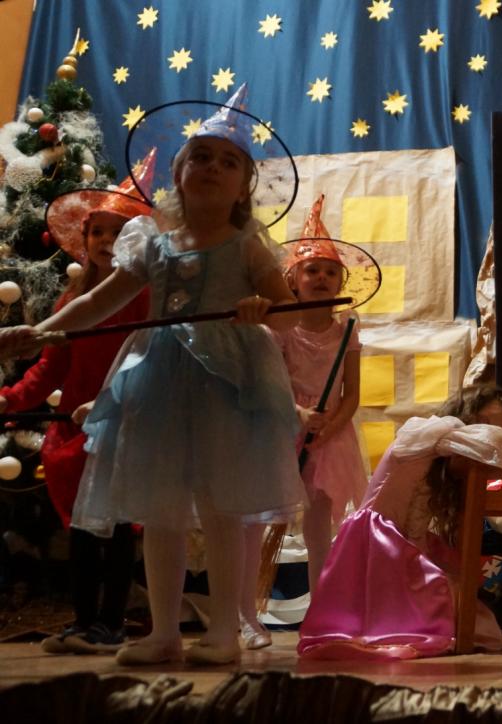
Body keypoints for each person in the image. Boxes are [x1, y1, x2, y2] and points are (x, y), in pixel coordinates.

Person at [4, 85, 309, 665]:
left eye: (228, 162)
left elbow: (291, 314)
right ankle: (164, 632)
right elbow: (98, 302)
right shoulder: (154, 243)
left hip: (226, 385)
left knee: (221, 507)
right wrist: (41, 332)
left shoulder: (247, 246)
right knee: (161, 508)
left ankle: (224, 632)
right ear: (178, 172)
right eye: (201, 157)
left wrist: (262, 310)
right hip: (159, 381)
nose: (212, 167)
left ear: (243, 186)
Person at [11, 154, 156, 654]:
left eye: (118, 232)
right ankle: (83, 621)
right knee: (80, 530)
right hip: (74, 434)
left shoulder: (145, 295)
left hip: (127, 423)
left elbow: (149, 358)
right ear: (85, 238)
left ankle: (111, 623)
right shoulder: (69, 301)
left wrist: (109, 401)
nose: (106, 241)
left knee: (116, 528)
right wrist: (9, 399)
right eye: (98, 232)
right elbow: (50, 369)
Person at [298, 385, 502, 659]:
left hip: (402, 542)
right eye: (486, 424)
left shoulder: (446, 450)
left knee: (465, 601)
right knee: (446, 597)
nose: (489, 432)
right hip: (381, 542)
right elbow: (489, 441)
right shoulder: (435, 431)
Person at [238, 196, 377, 650]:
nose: (321, 278)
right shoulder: (280, 329)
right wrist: (300, 417)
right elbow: (271, 384)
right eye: (311, 270)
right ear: (292, 280)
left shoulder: (348, 329)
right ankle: (246, 615)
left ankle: (323, 613)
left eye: (330, 272)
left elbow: (352, 394)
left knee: (321, 528)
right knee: (259, 521)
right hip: (280, 432)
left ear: (342, 281)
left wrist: (329, 428)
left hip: (329, 438)